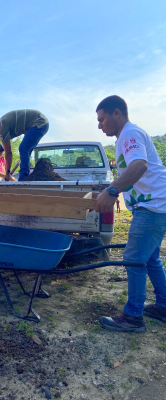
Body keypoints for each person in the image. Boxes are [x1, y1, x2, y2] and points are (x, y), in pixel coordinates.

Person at [95, 95, 166, 333]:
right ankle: (163, 306)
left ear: (117, 113)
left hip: (152, 207)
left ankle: (133, 316)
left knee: (134, 258)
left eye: (102, 119)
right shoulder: (126, 136)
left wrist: (113, 190)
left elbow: (139, 165)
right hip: (153, 205)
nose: (99, 125)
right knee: (151, 258)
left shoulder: (129, 133)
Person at [0, 109, 49, 181]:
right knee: (26, 150)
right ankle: (25, 175)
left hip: (39, 122)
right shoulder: (0, 125)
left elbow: (8, 153)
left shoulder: (1, 128)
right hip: (37, 123)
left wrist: (7, 173)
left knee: (23, 148)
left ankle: (23, 178)